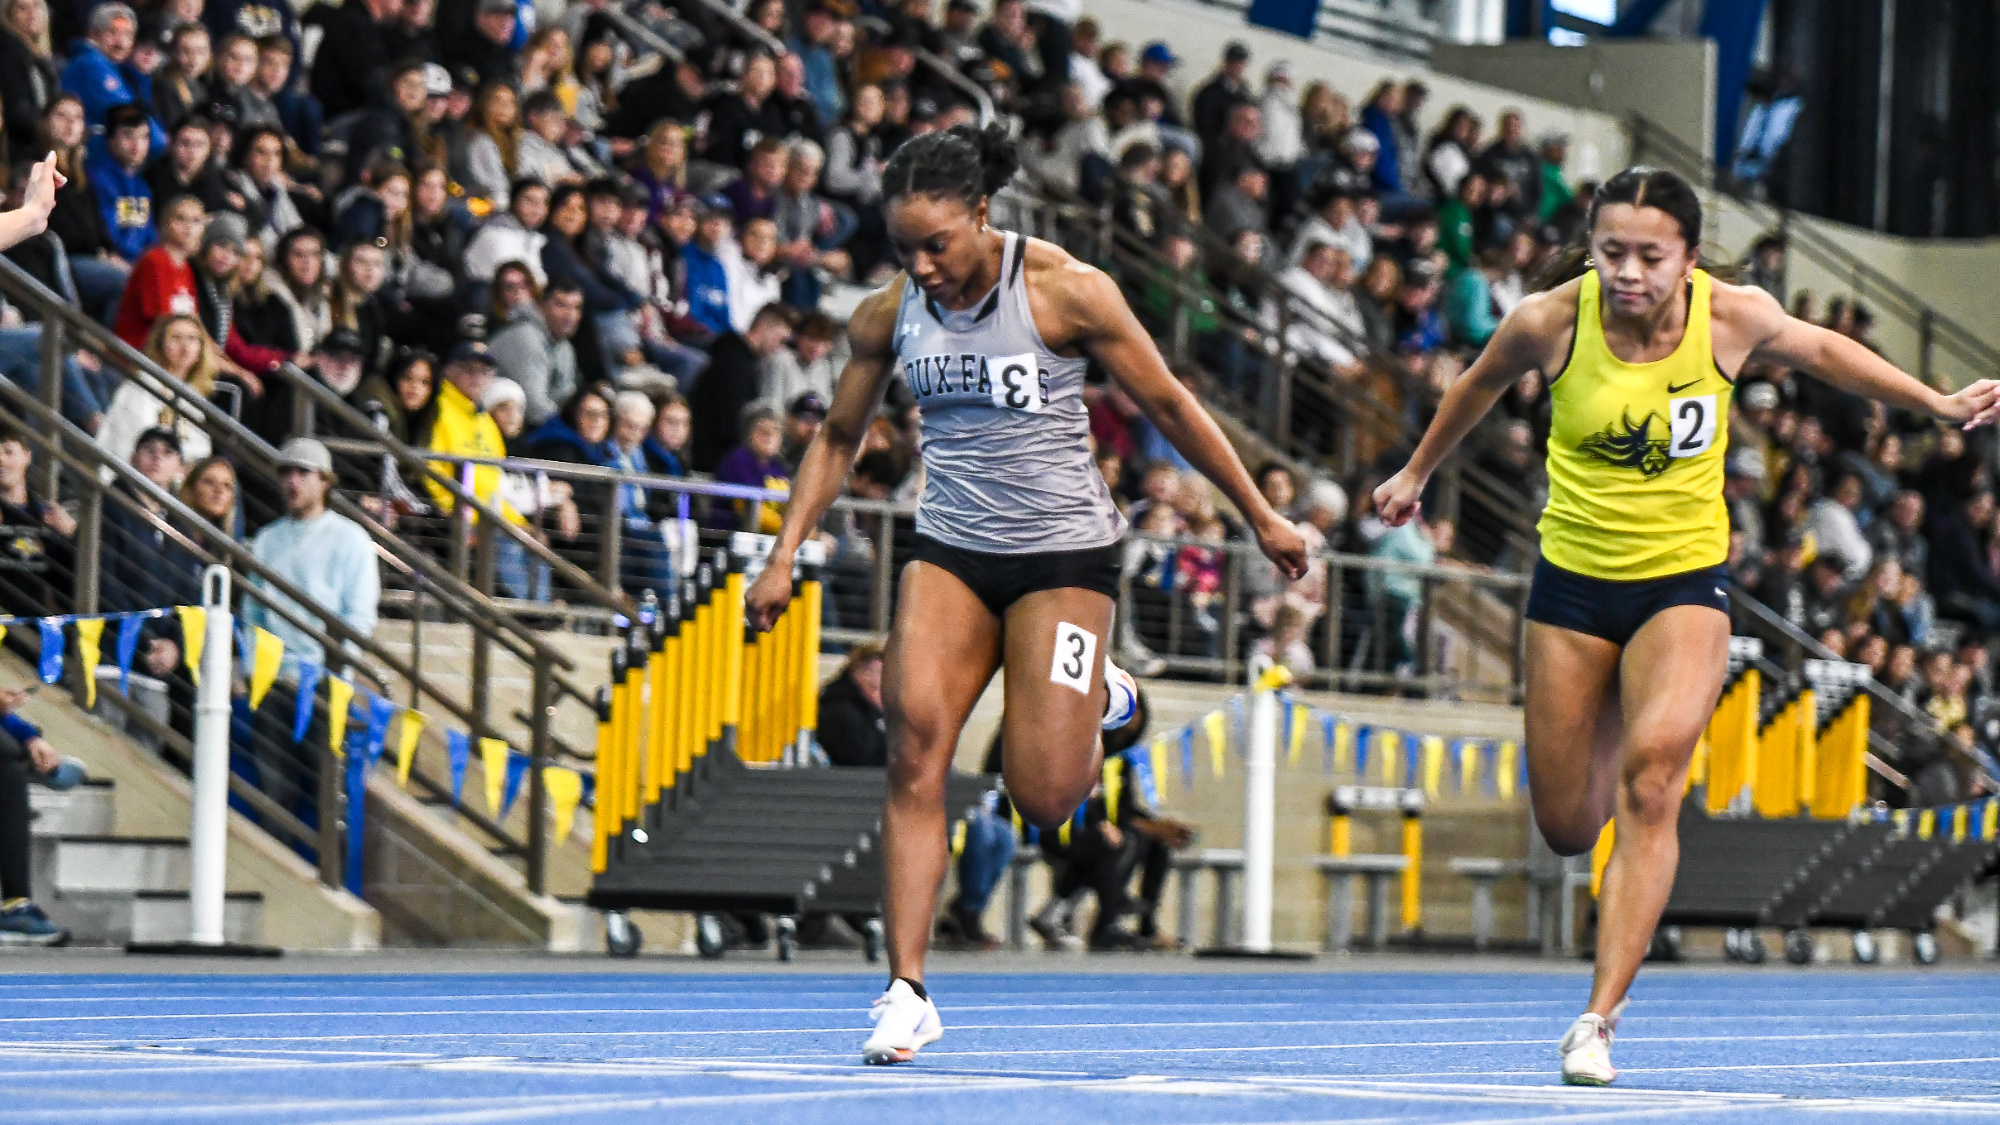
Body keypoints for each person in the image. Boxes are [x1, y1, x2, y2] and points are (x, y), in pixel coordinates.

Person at [1370, 165, 2000, 1087]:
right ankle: (1618, 719)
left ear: (1690, 257)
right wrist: (1415, 474)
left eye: (1649, 257)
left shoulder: (1729, 316)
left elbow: (1825, 353)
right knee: (1566, 823)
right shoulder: (1550, 320)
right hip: (1574, 585)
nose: (1627, 273)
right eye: (1611, 252)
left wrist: (1935, 403)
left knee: (1656, 781)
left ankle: (1598, 1018)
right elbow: (1475, 385)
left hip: (1682, 583)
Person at [744, 123, 1306, 1065]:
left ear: (981, 214)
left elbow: (1168, 403)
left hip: (1063, 558)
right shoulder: (890, 314)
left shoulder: (1067, 291)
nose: (923, 266)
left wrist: (1260, 515)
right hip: (952, 547)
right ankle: (906, 988)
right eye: (904, 248)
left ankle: (1108, 696)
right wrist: (782, 552)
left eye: (939, 244)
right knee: (914, 750)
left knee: (1045, 797)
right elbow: (839, 436)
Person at [242, 437, 380, 819]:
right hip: (274, 682)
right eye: (286, 471)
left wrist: (340, 667)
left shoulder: (350, 539)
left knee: (327, 790)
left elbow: (360, 614)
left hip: (325, 681)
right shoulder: (268, 539)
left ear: (324, 481)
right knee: (275, 791)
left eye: (303, 472)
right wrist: (253, 668)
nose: (292, 481)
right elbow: (253, 611)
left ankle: (325, 874)